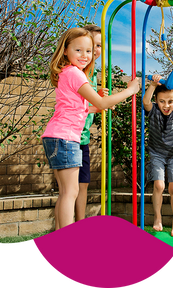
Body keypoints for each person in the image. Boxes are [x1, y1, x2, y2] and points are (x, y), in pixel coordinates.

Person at [42, 27, 140, 230]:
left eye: (88, 51)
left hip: (55, 136)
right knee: (71, 193)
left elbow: (82, 107)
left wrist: (100, 105)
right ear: (66, 50)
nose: (85, 55)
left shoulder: (66, 73)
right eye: (78, 50)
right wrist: (129, 91)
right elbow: (101, 104)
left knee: (65, 192)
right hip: (67, 138)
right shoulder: (76, 74)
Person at [143, 74, 173, 237]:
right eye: (162, 101)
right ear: (157, 100)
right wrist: (153, 84)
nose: (166, 105)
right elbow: (146, 102)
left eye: (170, 101)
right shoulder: (152, 110)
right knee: (159, 186)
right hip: (157, 153)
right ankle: (158, 217)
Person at [74, 25, 105, 222]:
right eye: (92, 44)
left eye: (99, 45)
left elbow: (91, 104)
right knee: (71, 187)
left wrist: (99, 98)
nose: (95, 50)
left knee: (83, 183)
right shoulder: (78, 71)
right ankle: (68, 228)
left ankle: (80, 223)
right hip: (71, 136)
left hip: (83, 137)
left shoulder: (93, 73)